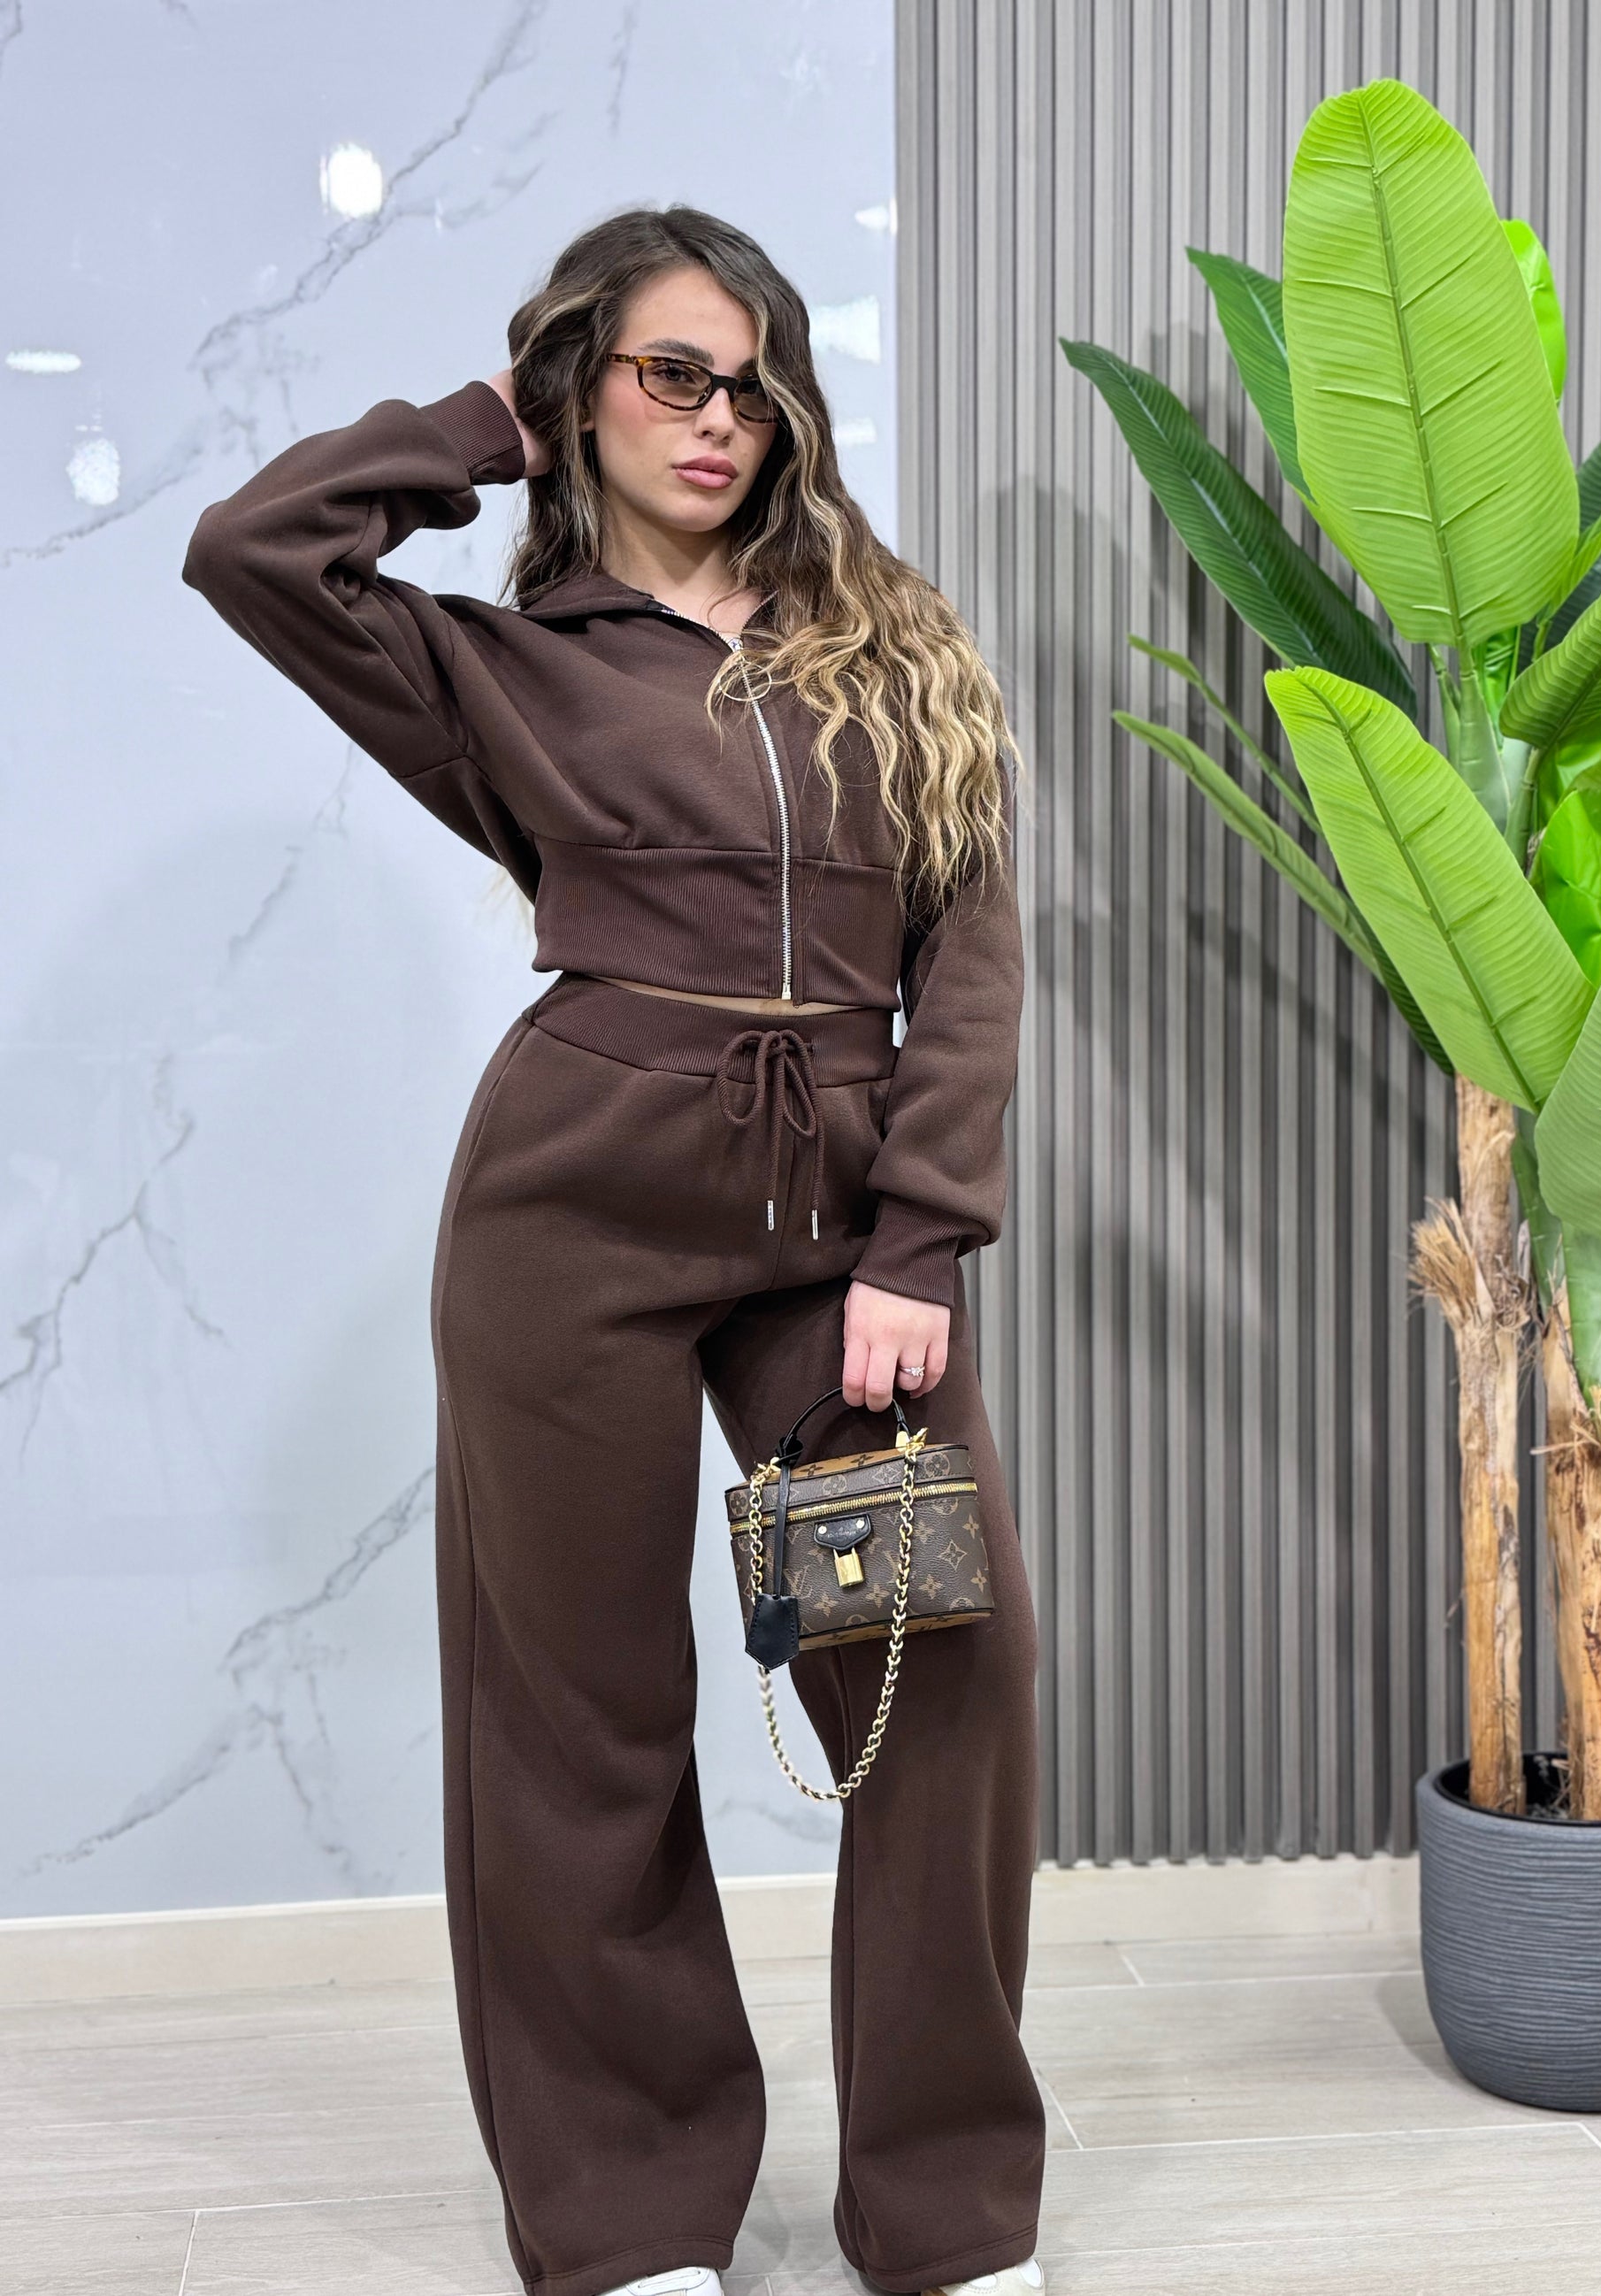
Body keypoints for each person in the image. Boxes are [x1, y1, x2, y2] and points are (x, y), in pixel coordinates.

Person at [182, 203, 1045, 2296]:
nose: (719, 416)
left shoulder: (892, 644)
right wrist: (490, 418)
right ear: (584, 389)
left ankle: (942, 2212)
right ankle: (632, 2212)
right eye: (671, 372)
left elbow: (971, 955)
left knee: (943, 1664)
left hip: (836, 1236)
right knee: (580, 1713)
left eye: (752, 380)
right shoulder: (501, 666)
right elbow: (252, 548)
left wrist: (921, 1240)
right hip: (566, 1211)